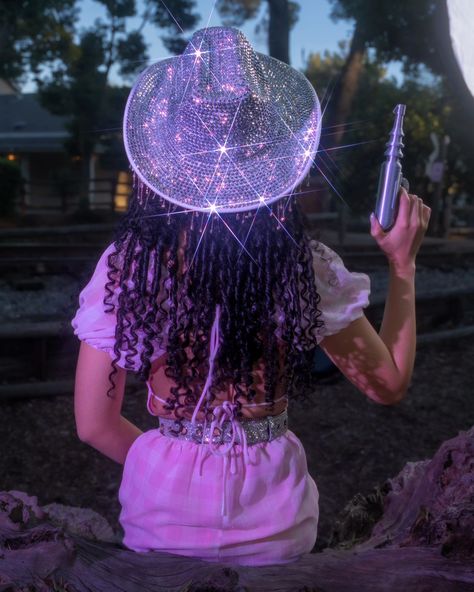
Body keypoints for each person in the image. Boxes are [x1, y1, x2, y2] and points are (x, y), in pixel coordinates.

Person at [71, 26, 431, 566]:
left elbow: (93, 425)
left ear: (166, 154)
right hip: (277, 520)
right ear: (272, 155)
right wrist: (402, 265)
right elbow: (389, 385)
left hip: (156, 515)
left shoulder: (130, 267)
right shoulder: (304, 265)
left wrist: (171, 470)